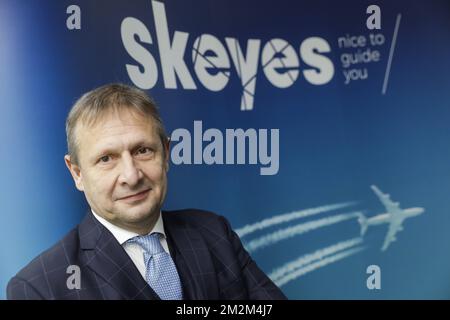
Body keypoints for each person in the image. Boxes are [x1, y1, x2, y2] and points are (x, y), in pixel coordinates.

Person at [7, 83, 287, 300]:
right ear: (77, 173)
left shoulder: (214, 233)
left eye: (142, 151)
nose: (131, 175)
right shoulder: (40, 287)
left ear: (166, 153)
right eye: (107, 158)